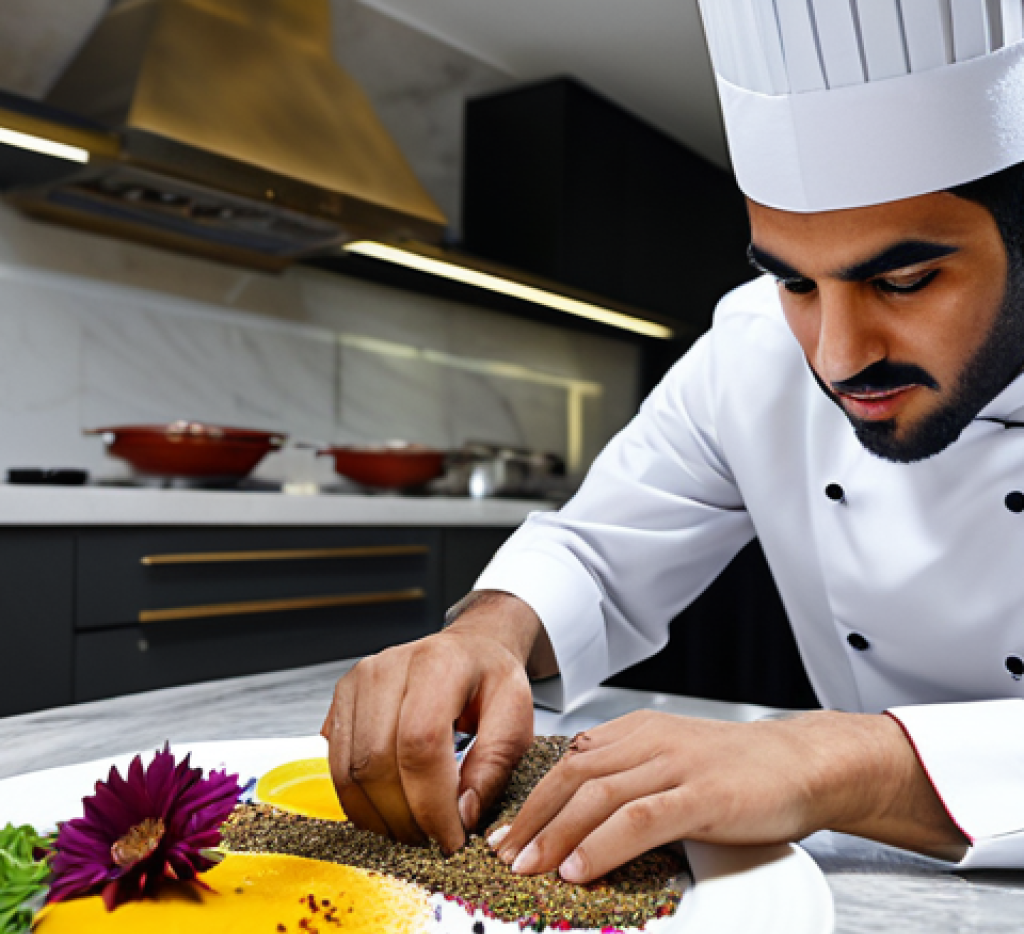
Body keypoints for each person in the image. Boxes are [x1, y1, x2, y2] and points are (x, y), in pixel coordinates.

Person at [323, 2, 1024, 878]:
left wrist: (830, 760)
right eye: (794, 282)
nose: (839, 357)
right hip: (874, 887)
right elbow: (597, 552)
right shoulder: (751, 349)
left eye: (905, 280)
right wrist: (485, 637)